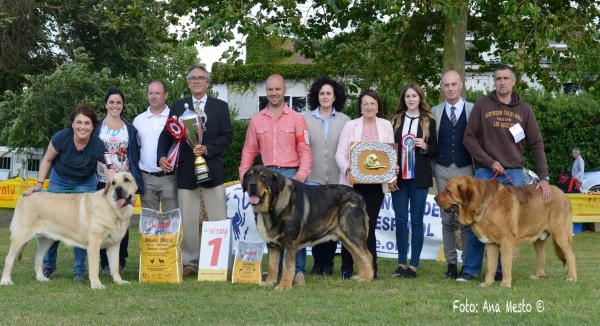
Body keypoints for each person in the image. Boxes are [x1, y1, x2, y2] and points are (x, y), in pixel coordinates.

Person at [457, 64, 551, 282]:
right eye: (498, 78)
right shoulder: (482, 105)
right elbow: (468, 139)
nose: (502, 82)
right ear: (494, 82)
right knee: (476, 222)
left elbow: (536, 143)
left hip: (513, 175)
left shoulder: (524, 109)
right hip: (484, 174)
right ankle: (470, 270)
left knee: (506, 227)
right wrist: (489, 162)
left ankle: (501, 272)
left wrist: (544, 177)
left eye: (506, 78)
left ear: (513, 81)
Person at [157, 65, 233, 277]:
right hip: (186, 170)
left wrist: (208, 148)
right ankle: (190, 263)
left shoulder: (220, 106)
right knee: (188, 218)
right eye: (193, 78)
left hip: (212, 168)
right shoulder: (178, 106)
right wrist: (161, 156)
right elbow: (166, 135)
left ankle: (220, 263)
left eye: (201, 78)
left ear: (208, 82)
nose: (197, 81)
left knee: (218, 217)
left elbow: (227, 136)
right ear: (188, 82)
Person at [25, 104, 114, 283]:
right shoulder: (61, 138)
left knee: (83, 226)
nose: (83, 126)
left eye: (87, 123)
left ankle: (79, 270)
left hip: (85, 183)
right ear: (72, 124)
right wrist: (39, 184)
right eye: (79, 122)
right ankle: (49, 266)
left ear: (93, 126)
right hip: (60, 180)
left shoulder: (97, 143)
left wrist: (115, 185)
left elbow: (108, 167)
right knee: (53, 223)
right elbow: (47, 159)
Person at [239, 74, 312, 285]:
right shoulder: (256, 120)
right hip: (265, 178)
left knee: (293, 228)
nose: (274, 93)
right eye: (270, 89)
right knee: (270, 227)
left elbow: (304, 150)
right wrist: (244, 177)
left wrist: (301, 175)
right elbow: (249, 150)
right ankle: (274, 273)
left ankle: (298, 272)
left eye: (277, 89)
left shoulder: (297, 118)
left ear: (285, 90)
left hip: (290, 178)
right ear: (266, 91)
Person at [335, 89, 395, 280]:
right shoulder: (350, 125)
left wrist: (393, 172)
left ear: (378, 107)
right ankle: (346, 267)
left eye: (373, 103)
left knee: (369, 227)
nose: (369, 107)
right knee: (348, 226)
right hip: (352, 185)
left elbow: (390, 155)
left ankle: (371, 267)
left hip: (376, 186)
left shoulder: (386, 126)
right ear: (360, 107)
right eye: (365, 103)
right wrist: (347, 169)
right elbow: (340, 154)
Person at [388, 83, 437, 279]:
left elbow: (436, 149)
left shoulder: (429, 120)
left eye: (414, 96)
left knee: (417, 222)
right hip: (398, 178)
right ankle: (401, 264)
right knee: (400, 222)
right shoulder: (395, 120)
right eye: (407, 96)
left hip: (420, 178)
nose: (411, 99)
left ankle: (413, 266)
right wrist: (390, 175)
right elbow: (389, 148)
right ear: (403, 99)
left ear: (420, 98)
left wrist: (425, 145)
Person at [303, 76, 350, 276]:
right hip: (312, 179)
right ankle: (316, 264)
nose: (325, 96)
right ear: (316, 96)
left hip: (337, 180)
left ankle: (329, 264)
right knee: (315, 223)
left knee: (332, 224)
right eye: (321, 93)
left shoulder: (345, 120)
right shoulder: (304, 119)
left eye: (328, 93)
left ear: (335, 96)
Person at [430, 71, 474, 279]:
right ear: (442, 87)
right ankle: (450, 264)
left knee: (465, 218)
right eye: (446, 85)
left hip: (466, 170)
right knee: (447, 219)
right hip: (442, 169)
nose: (450, 88)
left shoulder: (473, 110)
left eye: (454, 84)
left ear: (461, 85)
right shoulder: (435, 111)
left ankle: (467, 264)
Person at [95, 88, 144, 275]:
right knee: (102, 221)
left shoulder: (130, 128)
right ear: (106, 104)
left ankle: (120, 261)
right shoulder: (96, 126)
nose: (115, 106)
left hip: (125, 182)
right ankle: (104, 262)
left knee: (122, 220)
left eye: (119, 103)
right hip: (102, 181)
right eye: (111, 102)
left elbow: (134, 153)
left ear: (122, 106)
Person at [133, 81, 179, 215]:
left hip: (169, 177)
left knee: (171, 221)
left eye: (157, 93)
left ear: (166, 95)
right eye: (151, 93)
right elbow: (137, 149)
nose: (153, 96)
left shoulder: (175, 118)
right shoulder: (139, 120)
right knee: (149, 222)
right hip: (146, 178)